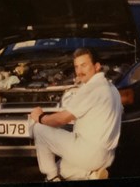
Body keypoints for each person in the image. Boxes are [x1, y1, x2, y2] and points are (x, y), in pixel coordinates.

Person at [28, 47, 123, 181]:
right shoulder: (112, 88)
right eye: (76, 67)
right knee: (63, 172)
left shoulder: (91, 89)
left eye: (84, 66)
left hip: (87, 153)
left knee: (39, 128)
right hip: (107, 156)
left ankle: (52, 177)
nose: (79, 71)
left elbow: (61, 119)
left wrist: (40, 117)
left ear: (97, 66)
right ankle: (91, 175)